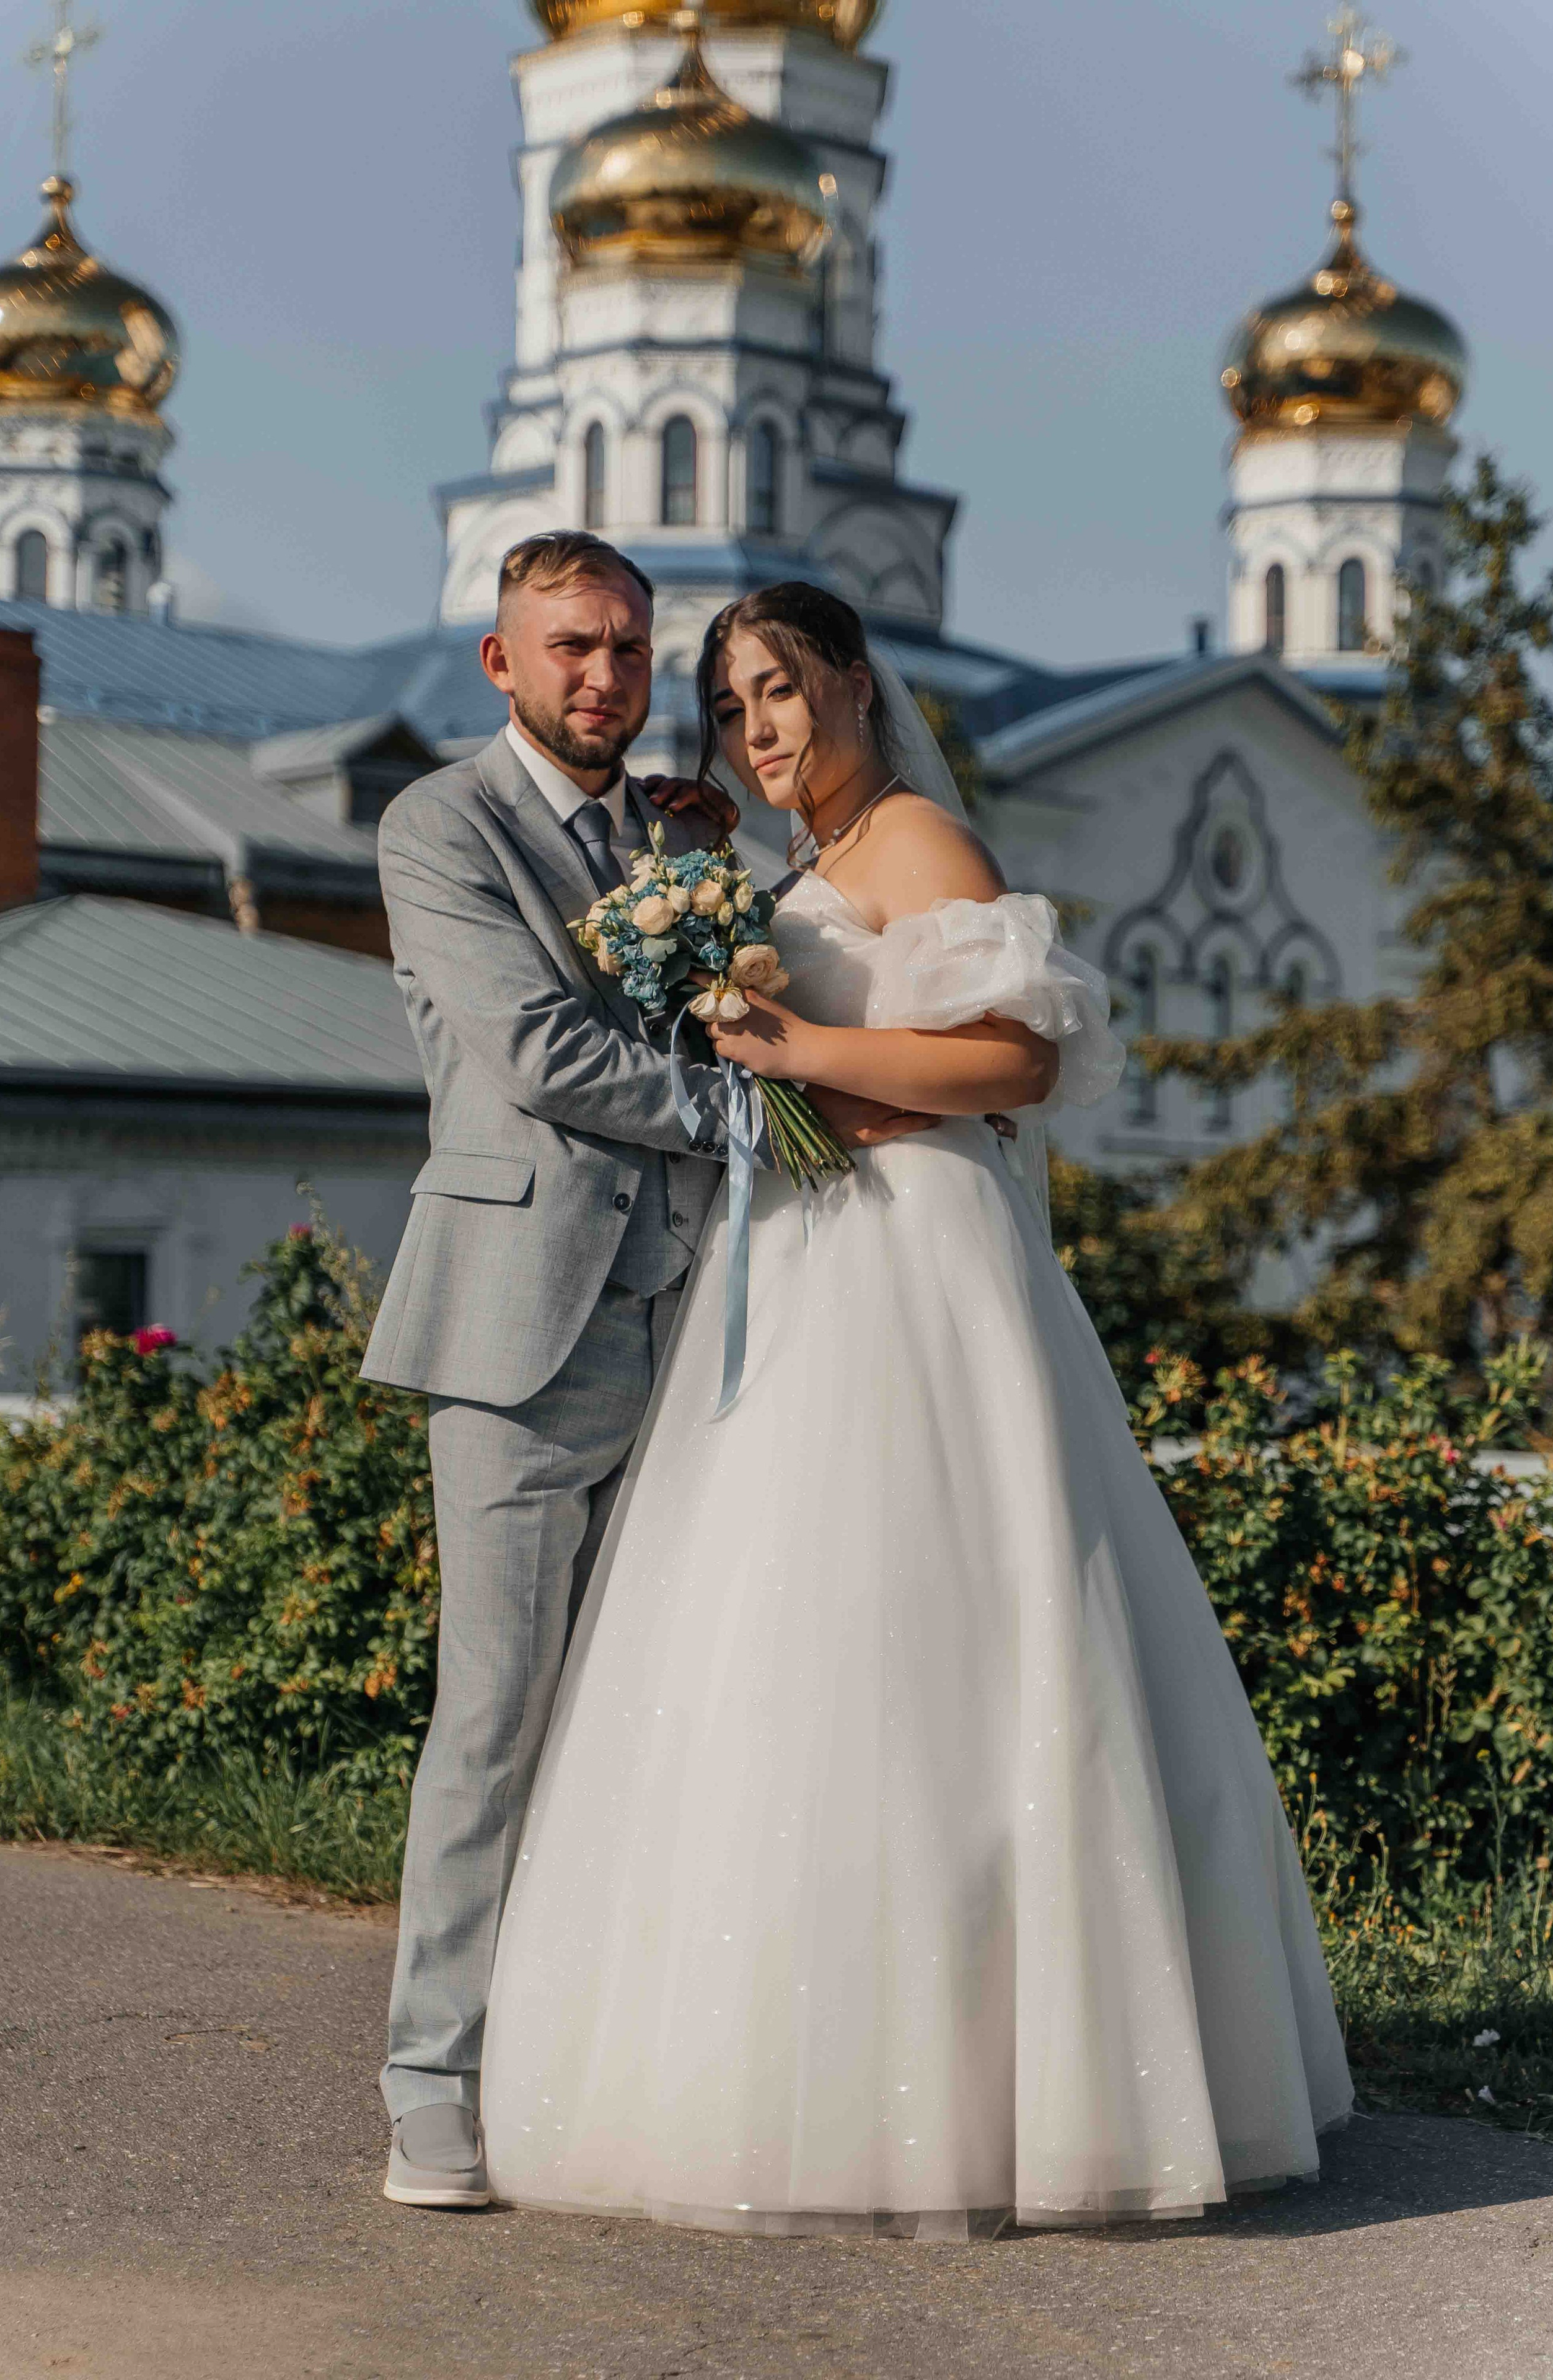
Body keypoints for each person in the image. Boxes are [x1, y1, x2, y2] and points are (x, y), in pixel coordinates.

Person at [479, 580, 1353, 2236]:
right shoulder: (792, 873)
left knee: (959, 1618)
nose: (760, 730)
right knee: (790, 1642)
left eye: (784, 692)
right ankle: (783, 2076)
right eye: (736, 707)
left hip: (920, 1251)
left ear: (858, 686)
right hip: (806, 1252)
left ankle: (1037, 2090)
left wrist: (799, 1047)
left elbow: (1015, 1065)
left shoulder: (924, 846)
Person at [361, 538, 930, 2209]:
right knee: (496, 1717)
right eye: (570, 650)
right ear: (500, 661)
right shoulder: (439, 826)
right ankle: (434, 2084)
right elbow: (538, 1053)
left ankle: (581, 2060)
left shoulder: (680, 831)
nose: (602, 677)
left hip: (698, 1322)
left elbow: (725, 999)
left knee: (646, 1717)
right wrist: (770, 1119)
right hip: (520, 1331)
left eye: (625, 649)